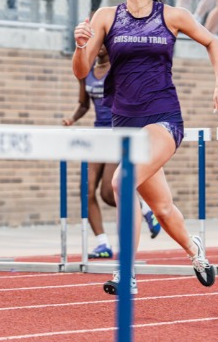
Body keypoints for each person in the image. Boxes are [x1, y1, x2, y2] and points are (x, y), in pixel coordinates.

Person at [72, 0, 218, 295]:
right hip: (124, 121)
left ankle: (126, 272)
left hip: (163, 117)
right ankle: (195, 251)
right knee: (162, 208)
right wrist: (80, 45)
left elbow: (212, 42)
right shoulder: (105, 17)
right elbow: (82, 71)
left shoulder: (173, 16)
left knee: (121, 181)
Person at [62, 45, 161, 259]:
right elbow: (84, 104)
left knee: (108, 193)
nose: (99, 47)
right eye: (96, 42)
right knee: (86, 190)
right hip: (98, 135)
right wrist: (72, 118)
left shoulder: (119, 68)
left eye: (103, 42)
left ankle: (146, 210)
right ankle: (103, 244)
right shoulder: (86, 71)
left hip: (118, 132)